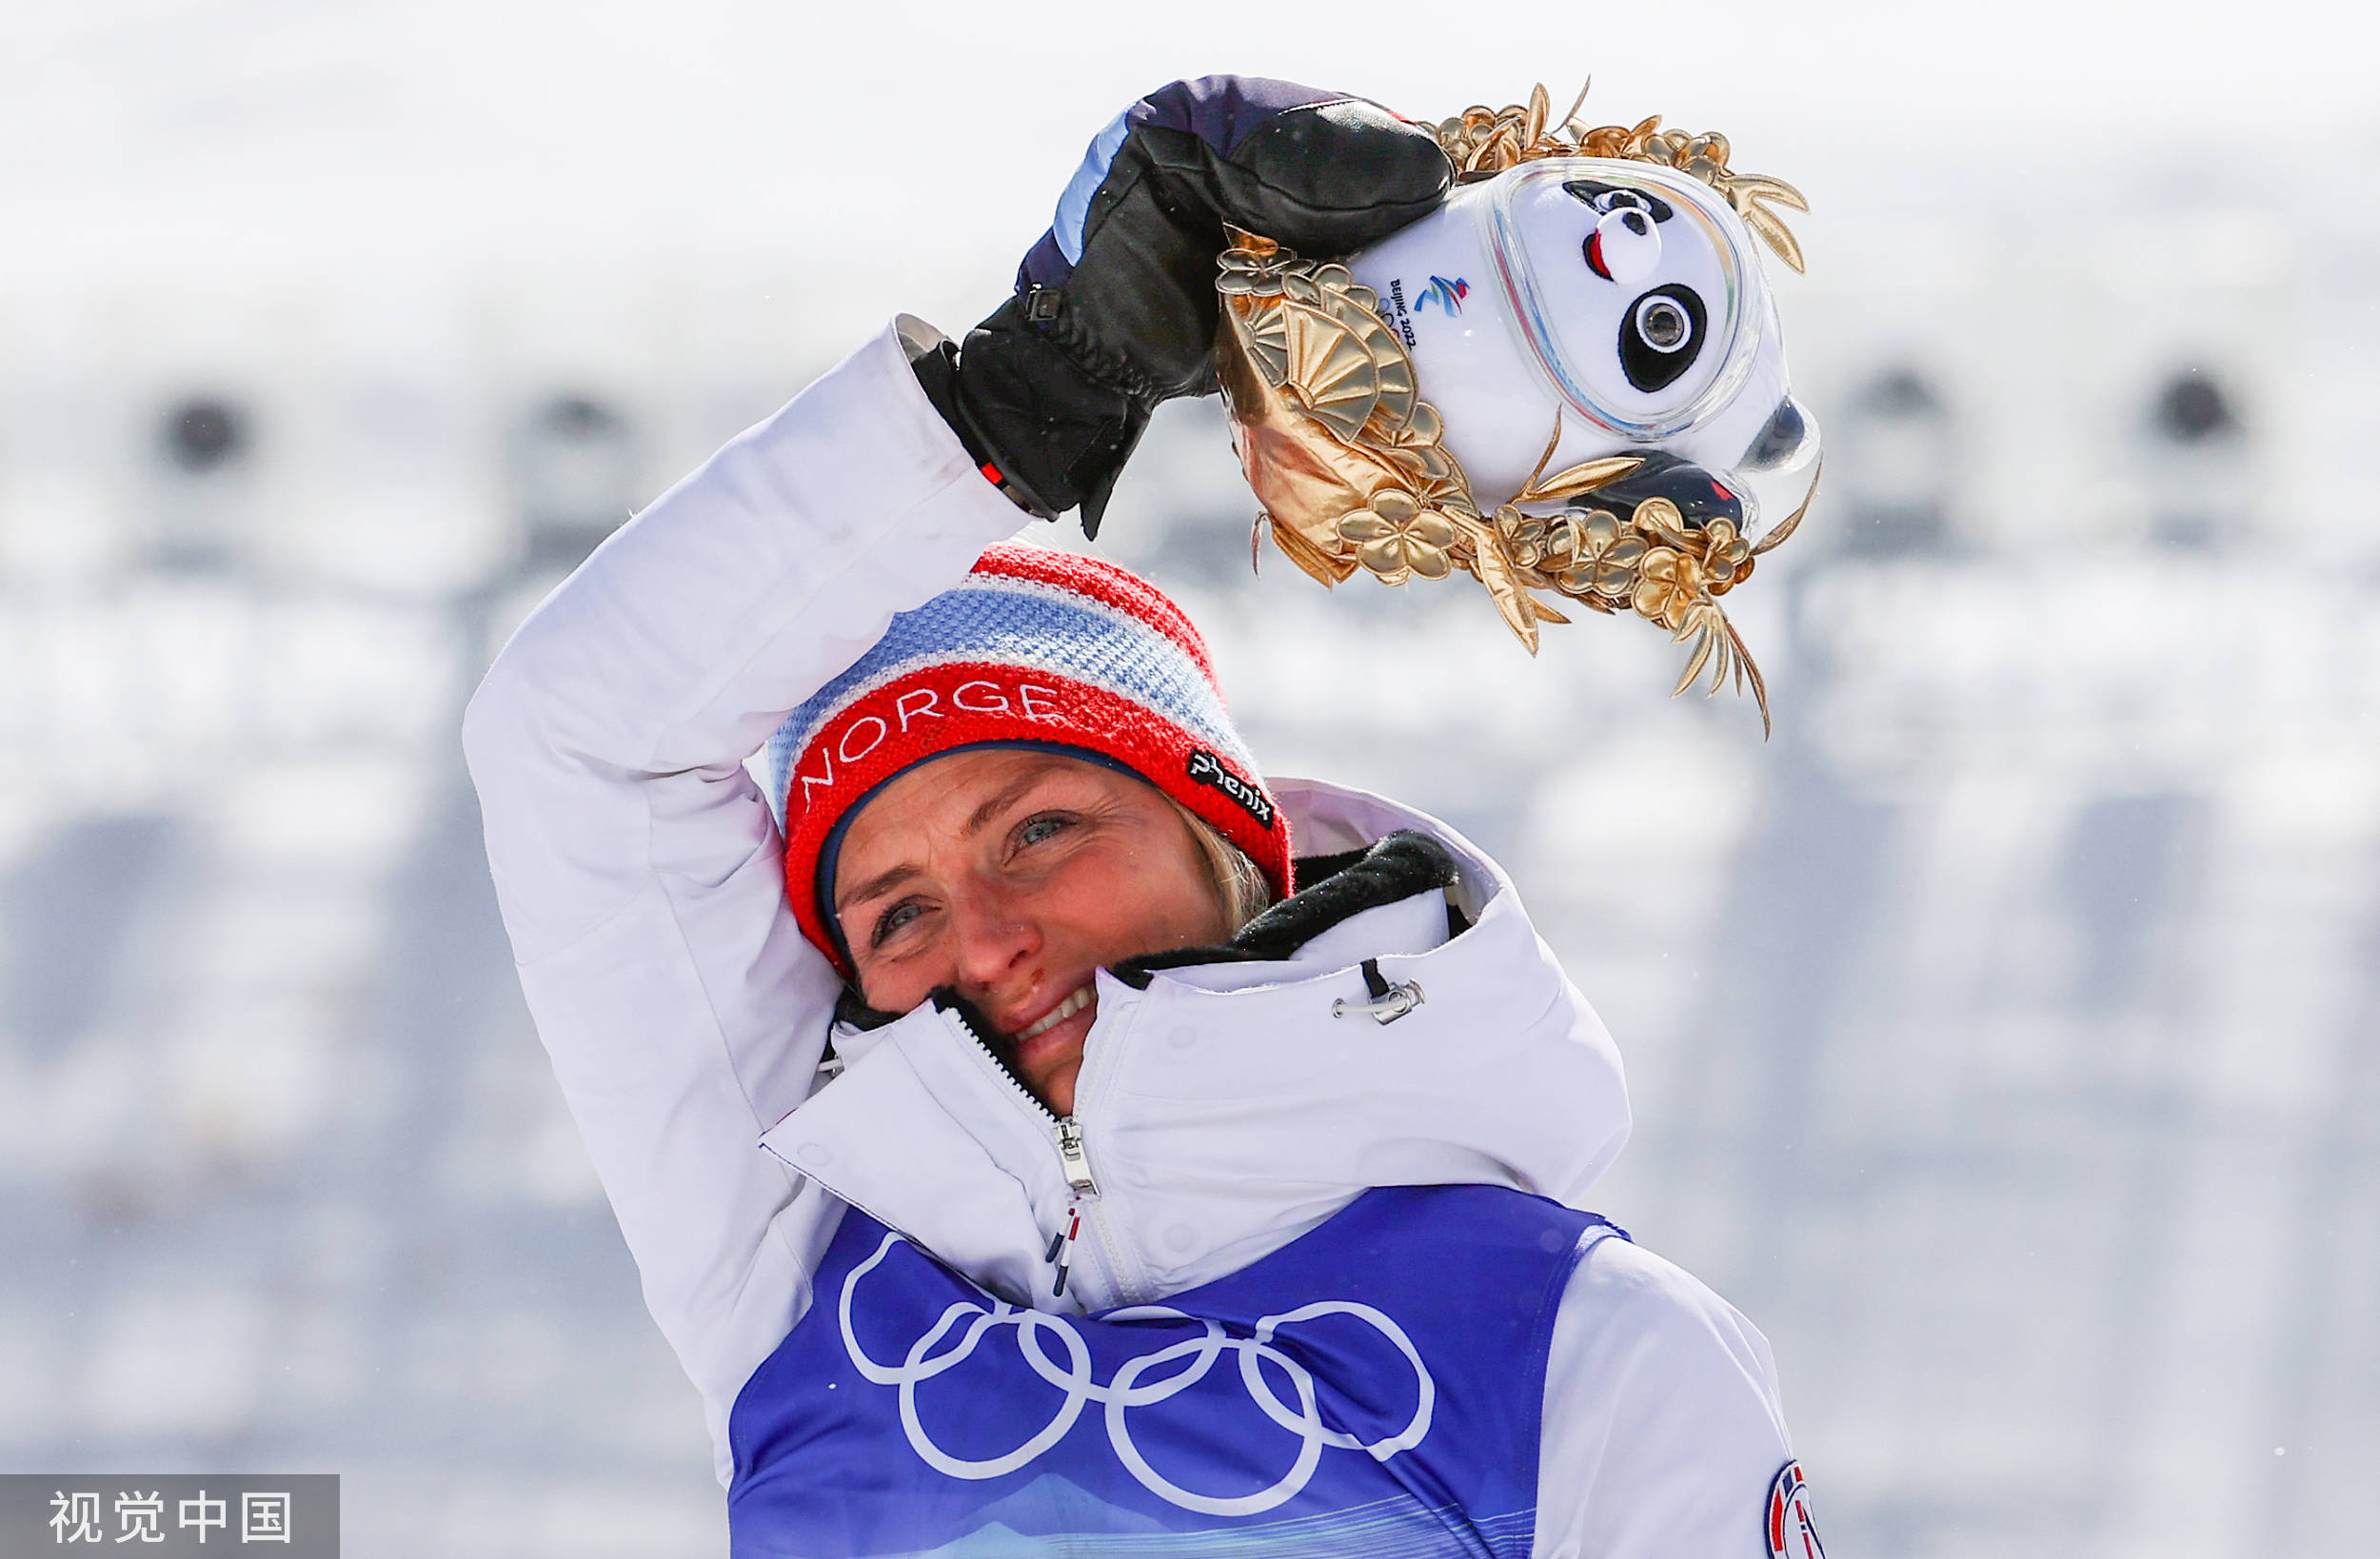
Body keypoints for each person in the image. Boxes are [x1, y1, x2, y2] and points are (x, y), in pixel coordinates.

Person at [466, 75, 1817, 1559]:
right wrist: (1032, 394)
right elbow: (573, 739)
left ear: (1230, 830)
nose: (981, 941)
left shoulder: (1584, 1349)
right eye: (895, 911)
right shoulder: (801, 1273)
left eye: (1039, 828)